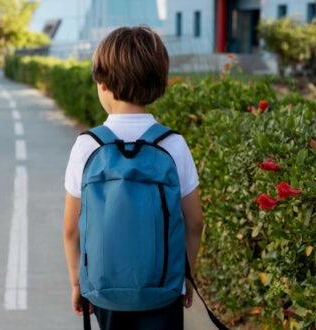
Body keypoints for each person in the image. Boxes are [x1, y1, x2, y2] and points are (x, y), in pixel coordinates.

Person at [62, 26, 204, 330]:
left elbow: (71, 229)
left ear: (102, 84)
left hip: (104, 290)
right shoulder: (172, 144)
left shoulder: (88, 146)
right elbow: (194, 222)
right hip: (163, 290)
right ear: (158, 83)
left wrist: (78, 283)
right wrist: (185, 277)